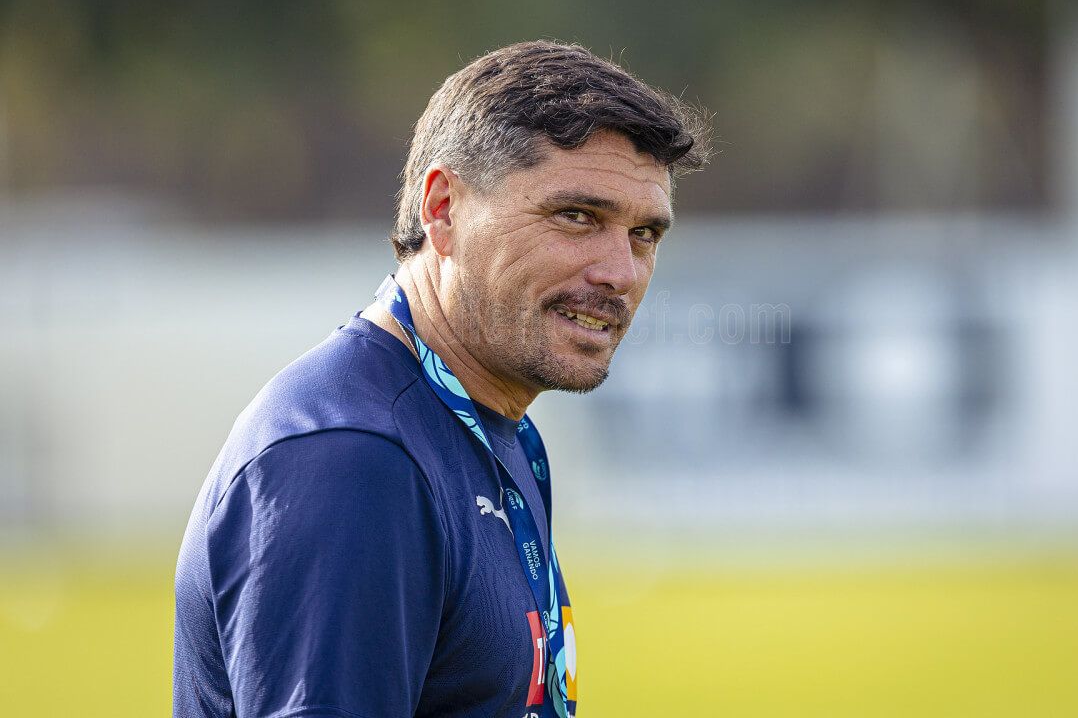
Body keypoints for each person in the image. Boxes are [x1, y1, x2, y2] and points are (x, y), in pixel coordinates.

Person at [172, 40, 711, 718]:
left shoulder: (487, 424)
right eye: (578, 216)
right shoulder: (354, 460)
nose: (620, 273)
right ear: (443, 207)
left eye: (645, 235)